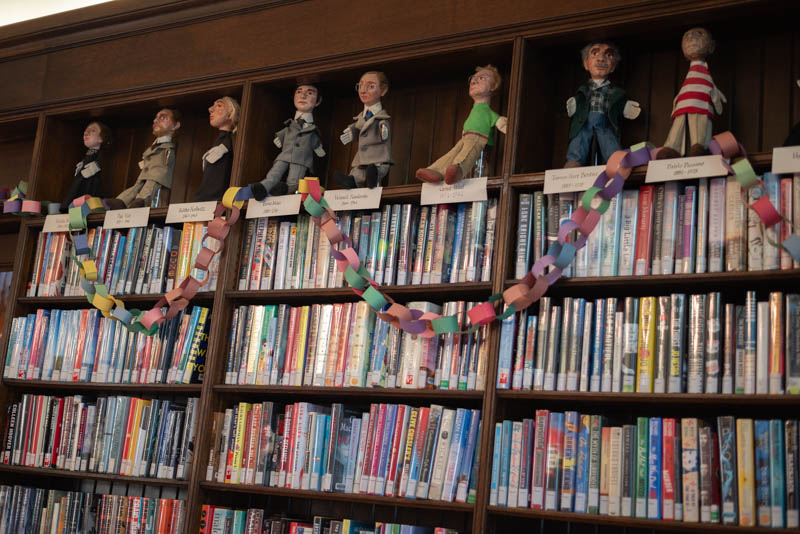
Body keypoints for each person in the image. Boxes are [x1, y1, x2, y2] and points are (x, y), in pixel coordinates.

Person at [416, 65, 507, 184]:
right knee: (452, 154)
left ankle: (458, 170)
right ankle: (435, 170)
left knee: (467, 153)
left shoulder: (488, 113)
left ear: (493, 86)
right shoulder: (474, 110)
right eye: (472, 79)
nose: (473, 81)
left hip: (479, 138)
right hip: (465, 137)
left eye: (481, 78)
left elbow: (501, 123)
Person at [565, 41, 641, 167]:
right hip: (584, 121)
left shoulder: (614, 92)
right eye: (595, 53)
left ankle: (615, 159)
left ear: (613, 66)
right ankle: (574, 161)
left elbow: (617, 102)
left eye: (608, 55)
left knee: (609, 138)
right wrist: (575, 102)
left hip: (604, 121)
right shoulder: (584, 90)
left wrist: (625, 107)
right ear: (586, 63)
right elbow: (581, 99)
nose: (601, 58)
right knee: (579, 139)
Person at [658, 27, 726, 159]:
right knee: (677, 126)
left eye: (699, 34)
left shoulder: (704, 73)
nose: (692, 38)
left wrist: (715, 94)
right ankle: (672, 148)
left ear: (711, 46)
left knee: (700, 125)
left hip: (701, 105)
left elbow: (710, 86)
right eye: (687, 36)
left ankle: (700, 145)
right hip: (682, 107)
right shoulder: (691, 73)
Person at [251, 85, 324, 200]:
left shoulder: (313, 130)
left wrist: (318, 148)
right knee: (274, 172)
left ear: (318, 101)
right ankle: (264, 187)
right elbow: (285, 132)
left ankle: (286, 191)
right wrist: (279, 138)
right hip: (284, 155)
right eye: (299, 92)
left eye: (310, 93)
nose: (303, 96)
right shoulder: (289, 124)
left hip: (301, 159)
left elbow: (315, 141)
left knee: (295, 179)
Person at [107, 108, 180, 209]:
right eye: (155, 118)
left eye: (163, 117)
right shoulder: (152, 147)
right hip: (145, 174)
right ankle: (122, 200)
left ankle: (142, 200)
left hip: (157, 175)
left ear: (176, 125)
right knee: (137, 186)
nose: (155, 120)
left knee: (151, 185)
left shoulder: (169, 148)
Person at [334, 71, 392, 189]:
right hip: (362, 158)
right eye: (360, 86)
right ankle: (352, 180)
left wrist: (384, 130)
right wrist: (352, 132)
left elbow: (382, 125)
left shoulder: (382, 118)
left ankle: (373, 178)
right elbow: (360, 126)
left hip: (377, 156)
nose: (363, 90)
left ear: (383, 90)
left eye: (370, 86)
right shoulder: (361, 117)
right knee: (358, 171)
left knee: (375, 169)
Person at [193, 97, 239, 202]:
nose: (210, 109)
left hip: (216, 198)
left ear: (230, 114)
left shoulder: (228, 141)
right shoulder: (220, 141)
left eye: (219, 105)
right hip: (206, 199)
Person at [61, 121, 111, 209]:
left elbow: (102, 166)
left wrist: (95, 167)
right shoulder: (87, 155)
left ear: (100, 138)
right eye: (85, 131)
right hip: (81, 180)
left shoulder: (102, 156)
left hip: (91, 185)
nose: (86, 133)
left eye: (92, 130)